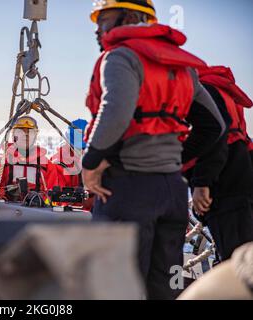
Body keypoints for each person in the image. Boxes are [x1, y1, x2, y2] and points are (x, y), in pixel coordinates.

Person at [81, 0, 226, 299]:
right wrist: (172, 160)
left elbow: (116, 111)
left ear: (131, 18)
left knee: (115, 289)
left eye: (104, 20)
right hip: (172, 192)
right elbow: (215, 126)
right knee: (166, 286)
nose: (98, 30)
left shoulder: (121, 57)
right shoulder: (183, 66)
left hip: (127, 191)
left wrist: (92, 161)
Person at [184, 66, 253, 261]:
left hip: (224, 188)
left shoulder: (204, 91)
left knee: (236, 262)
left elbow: (217, 138)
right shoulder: (220, 90)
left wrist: (201, 181)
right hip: (241, 180)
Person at [0, 115, 53, 202]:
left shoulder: (46, 165)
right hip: (8, 209)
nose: (25, 135)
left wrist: (41, 201)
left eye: (29, 132)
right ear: (14, 135)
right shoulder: (2, 162)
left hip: (37, 211)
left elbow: (52, 193)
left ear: (35, 136)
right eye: (20, 132)